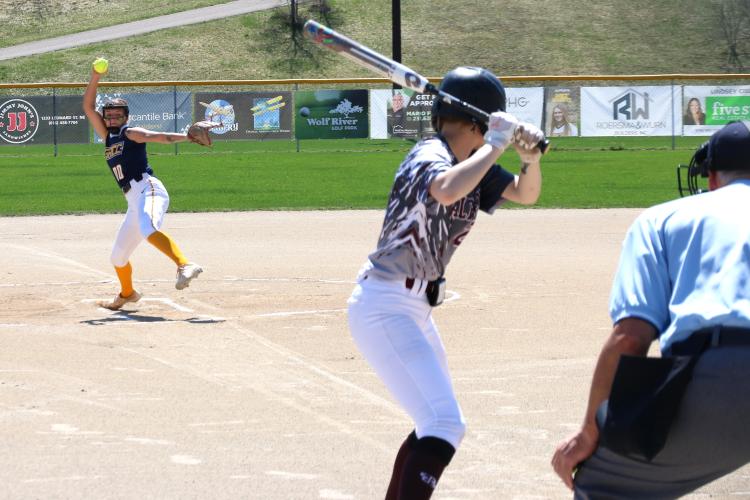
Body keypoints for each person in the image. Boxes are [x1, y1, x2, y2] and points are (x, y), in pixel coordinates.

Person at [347, 66, 545, 499]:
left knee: (433, 422)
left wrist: (528, 159)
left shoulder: (472, 164)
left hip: (414, 308)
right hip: (385, 304)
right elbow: (446, 190)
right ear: (481, 123)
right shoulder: (429, 154)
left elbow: (527, 194)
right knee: (444, 423)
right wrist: (495, 144)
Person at [551, 120, 750, 498]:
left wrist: (591, 430)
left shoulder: (664, 218)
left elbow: (630, 336)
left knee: (602, 487)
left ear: (711, 177)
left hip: (726, 375)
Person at [83, 60, 203, 310]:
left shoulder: (129, 132)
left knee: (148, 229)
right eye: (109, 114)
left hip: (148, 189)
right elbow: (87, 106)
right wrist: (95, 75)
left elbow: (157, 137)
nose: (112, 117)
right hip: (133, 199)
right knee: (117, 257)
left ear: (126, 117)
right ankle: (127, 293)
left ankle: (184, 265)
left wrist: (188, 137)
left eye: (118, 114)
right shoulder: (108, 136)